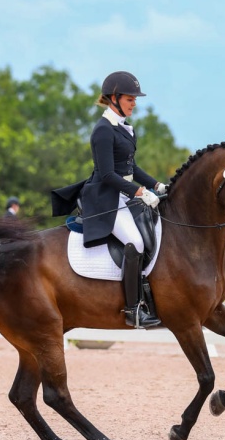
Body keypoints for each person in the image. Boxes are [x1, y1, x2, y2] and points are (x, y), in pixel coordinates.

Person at [51, 71, 167, 328]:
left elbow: (131, 168)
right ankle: (133, 309)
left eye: (135, 99)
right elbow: (107, 174)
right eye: (130, 98)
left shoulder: (124, 128)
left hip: (123, 195)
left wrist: (157, 185)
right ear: (114, 98)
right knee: (135, 242)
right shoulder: (103, 130)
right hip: (106, 198)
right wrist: (139, 192)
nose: (134, 103)